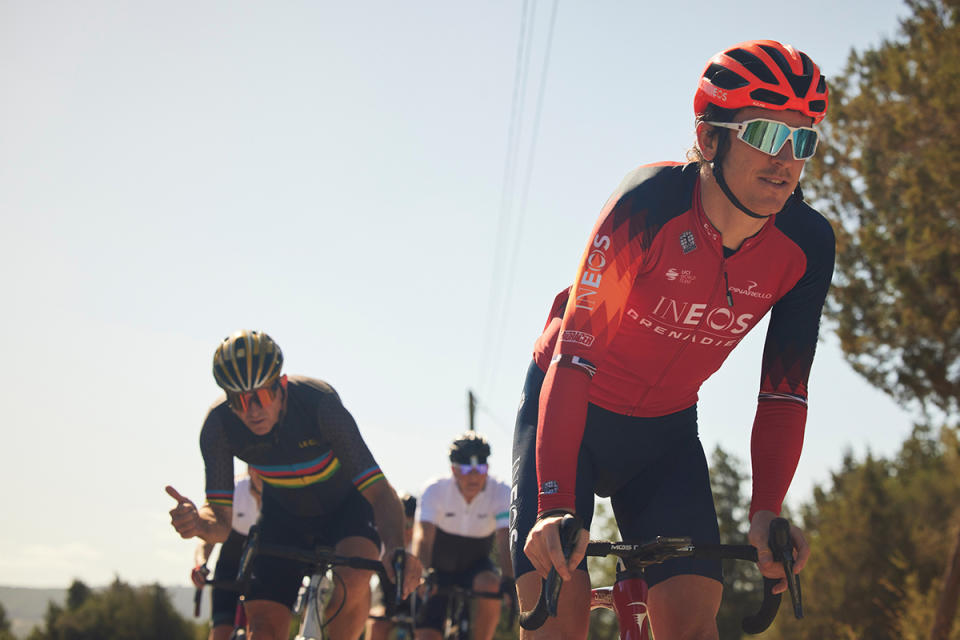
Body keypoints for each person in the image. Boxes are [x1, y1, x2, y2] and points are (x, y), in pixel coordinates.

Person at [510, 40, 834, 640]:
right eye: (765, 134)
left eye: (803, 139)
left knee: (692, 625)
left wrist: (766, 510)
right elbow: (575, 358)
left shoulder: (807, 246)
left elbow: (784, 394)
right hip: (570, 414)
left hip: (664, 435)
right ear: (710, 139)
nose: (786, 159)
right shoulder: (646, 206)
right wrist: (554, 500)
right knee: (558, 625)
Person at [166, 330, 421, 640]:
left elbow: (380, 493)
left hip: (346, 508)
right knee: (262, 631)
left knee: (355, 577)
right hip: (283, 515)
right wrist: (198, 524)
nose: (252, 410)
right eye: (240, 400)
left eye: (261, 396)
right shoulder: (219, 427)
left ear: (282, 385)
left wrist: (395, 548)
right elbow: (219, 523)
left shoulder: (320, 405)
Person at [414, 432, 514, 640]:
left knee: (491, 584)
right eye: (467, 469)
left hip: (475, 564)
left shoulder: (501, 491)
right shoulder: (435, 490)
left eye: (481, 469)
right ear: (454, 470)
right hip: (438, 567)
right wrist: (422, 572)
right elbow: (423, 536)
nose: (475, 476)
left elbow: (506, 539)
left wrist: (509, 578)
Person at [190, 469, 263, 640]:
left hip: (263, 571)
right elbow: (207, 539)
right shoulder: (236, 490)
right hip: (230, 567)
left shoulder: (280, 494)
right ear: (250, 469)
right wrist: (201, 564)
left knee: (263, 630)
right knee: (221, 631)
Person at [365, 492, 418, 640]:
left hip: (414, 591)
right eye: (403, 524)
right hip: (384, 587)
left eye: (412, 524)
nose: (407, 530)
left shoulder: (422, 543)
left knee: (425, 628)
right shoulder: (384, 540)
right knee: (377, 622)